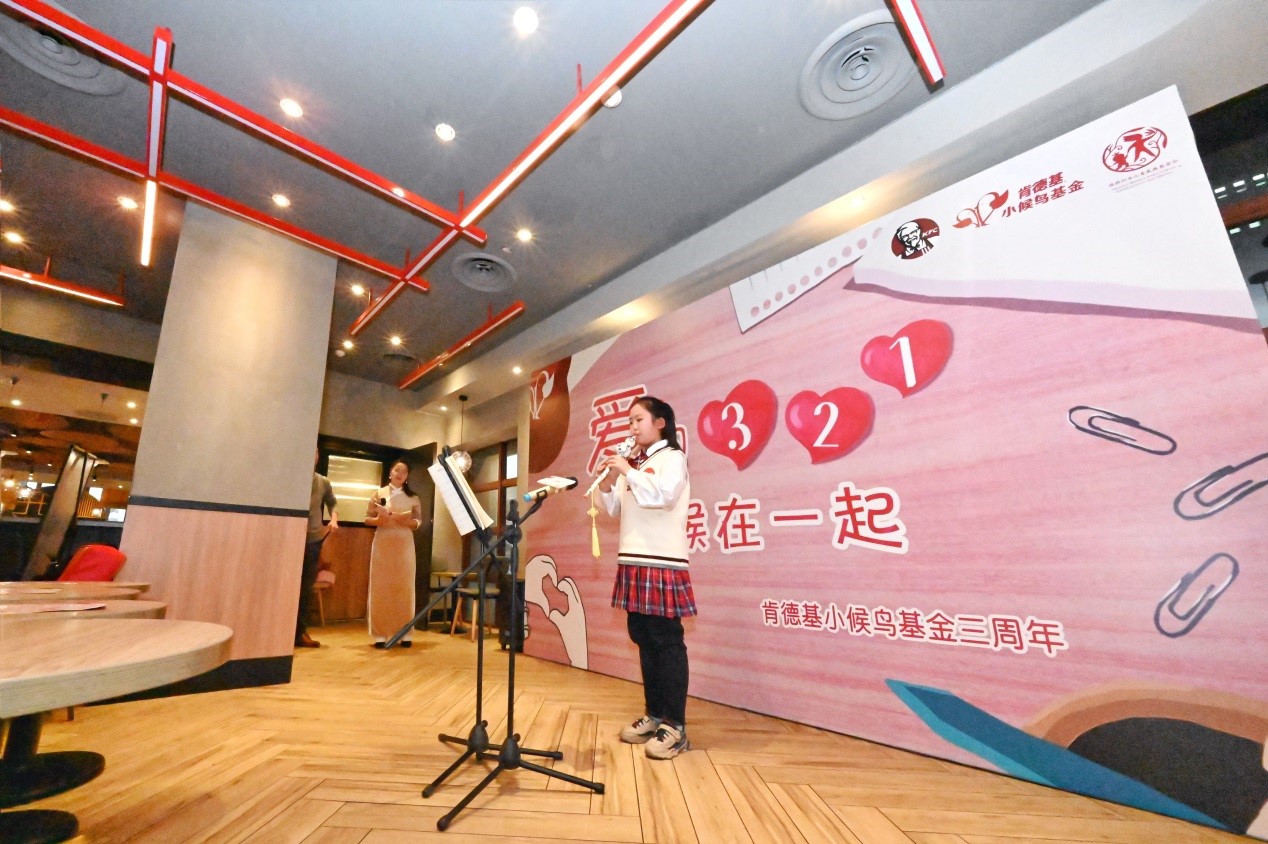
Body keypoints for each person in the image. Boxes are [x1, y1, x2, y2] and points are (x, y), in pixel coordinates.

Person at [597, 396, 695, 760]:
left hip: (662, 560)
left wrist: (626, 469)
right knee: (643, 638)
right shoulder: (636, 465)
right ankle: (654, 714)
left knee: (667, 641)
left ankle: (676, 726)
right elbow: (613, 508)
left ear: (660, 423)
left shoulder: (672, 458)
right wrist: (608, 480)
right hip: (633, 559)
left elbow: (664, 496)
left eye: (638, 420)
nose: (632, 427)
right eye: (630, 422)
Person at [365, 459, 423, 648]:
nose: (400, 474)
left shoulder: (413, 497)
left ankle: (405, 633)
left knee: (404, 587)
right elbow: (367, 518)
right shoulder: (379, 493)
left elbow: (418, 522)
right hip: (383, 543)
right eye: (397, 470)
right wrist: (379, 520)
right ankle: (380, 635)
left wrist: (404, 520)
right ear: (390, 472)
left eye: (404, 472)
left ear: (407, 477)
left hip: (404, 545)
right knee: (381, 587)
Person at [298, 449, 339, 648]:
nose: (311, 455)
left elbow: (333, 502)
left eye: (315, 452)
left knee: (306, 587)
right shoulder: (292, 478)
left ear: (317, 457)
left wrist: (334, 519)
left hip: (313, 540)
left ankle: (300, 632)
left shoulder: (323, 482)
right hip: (291, 538)